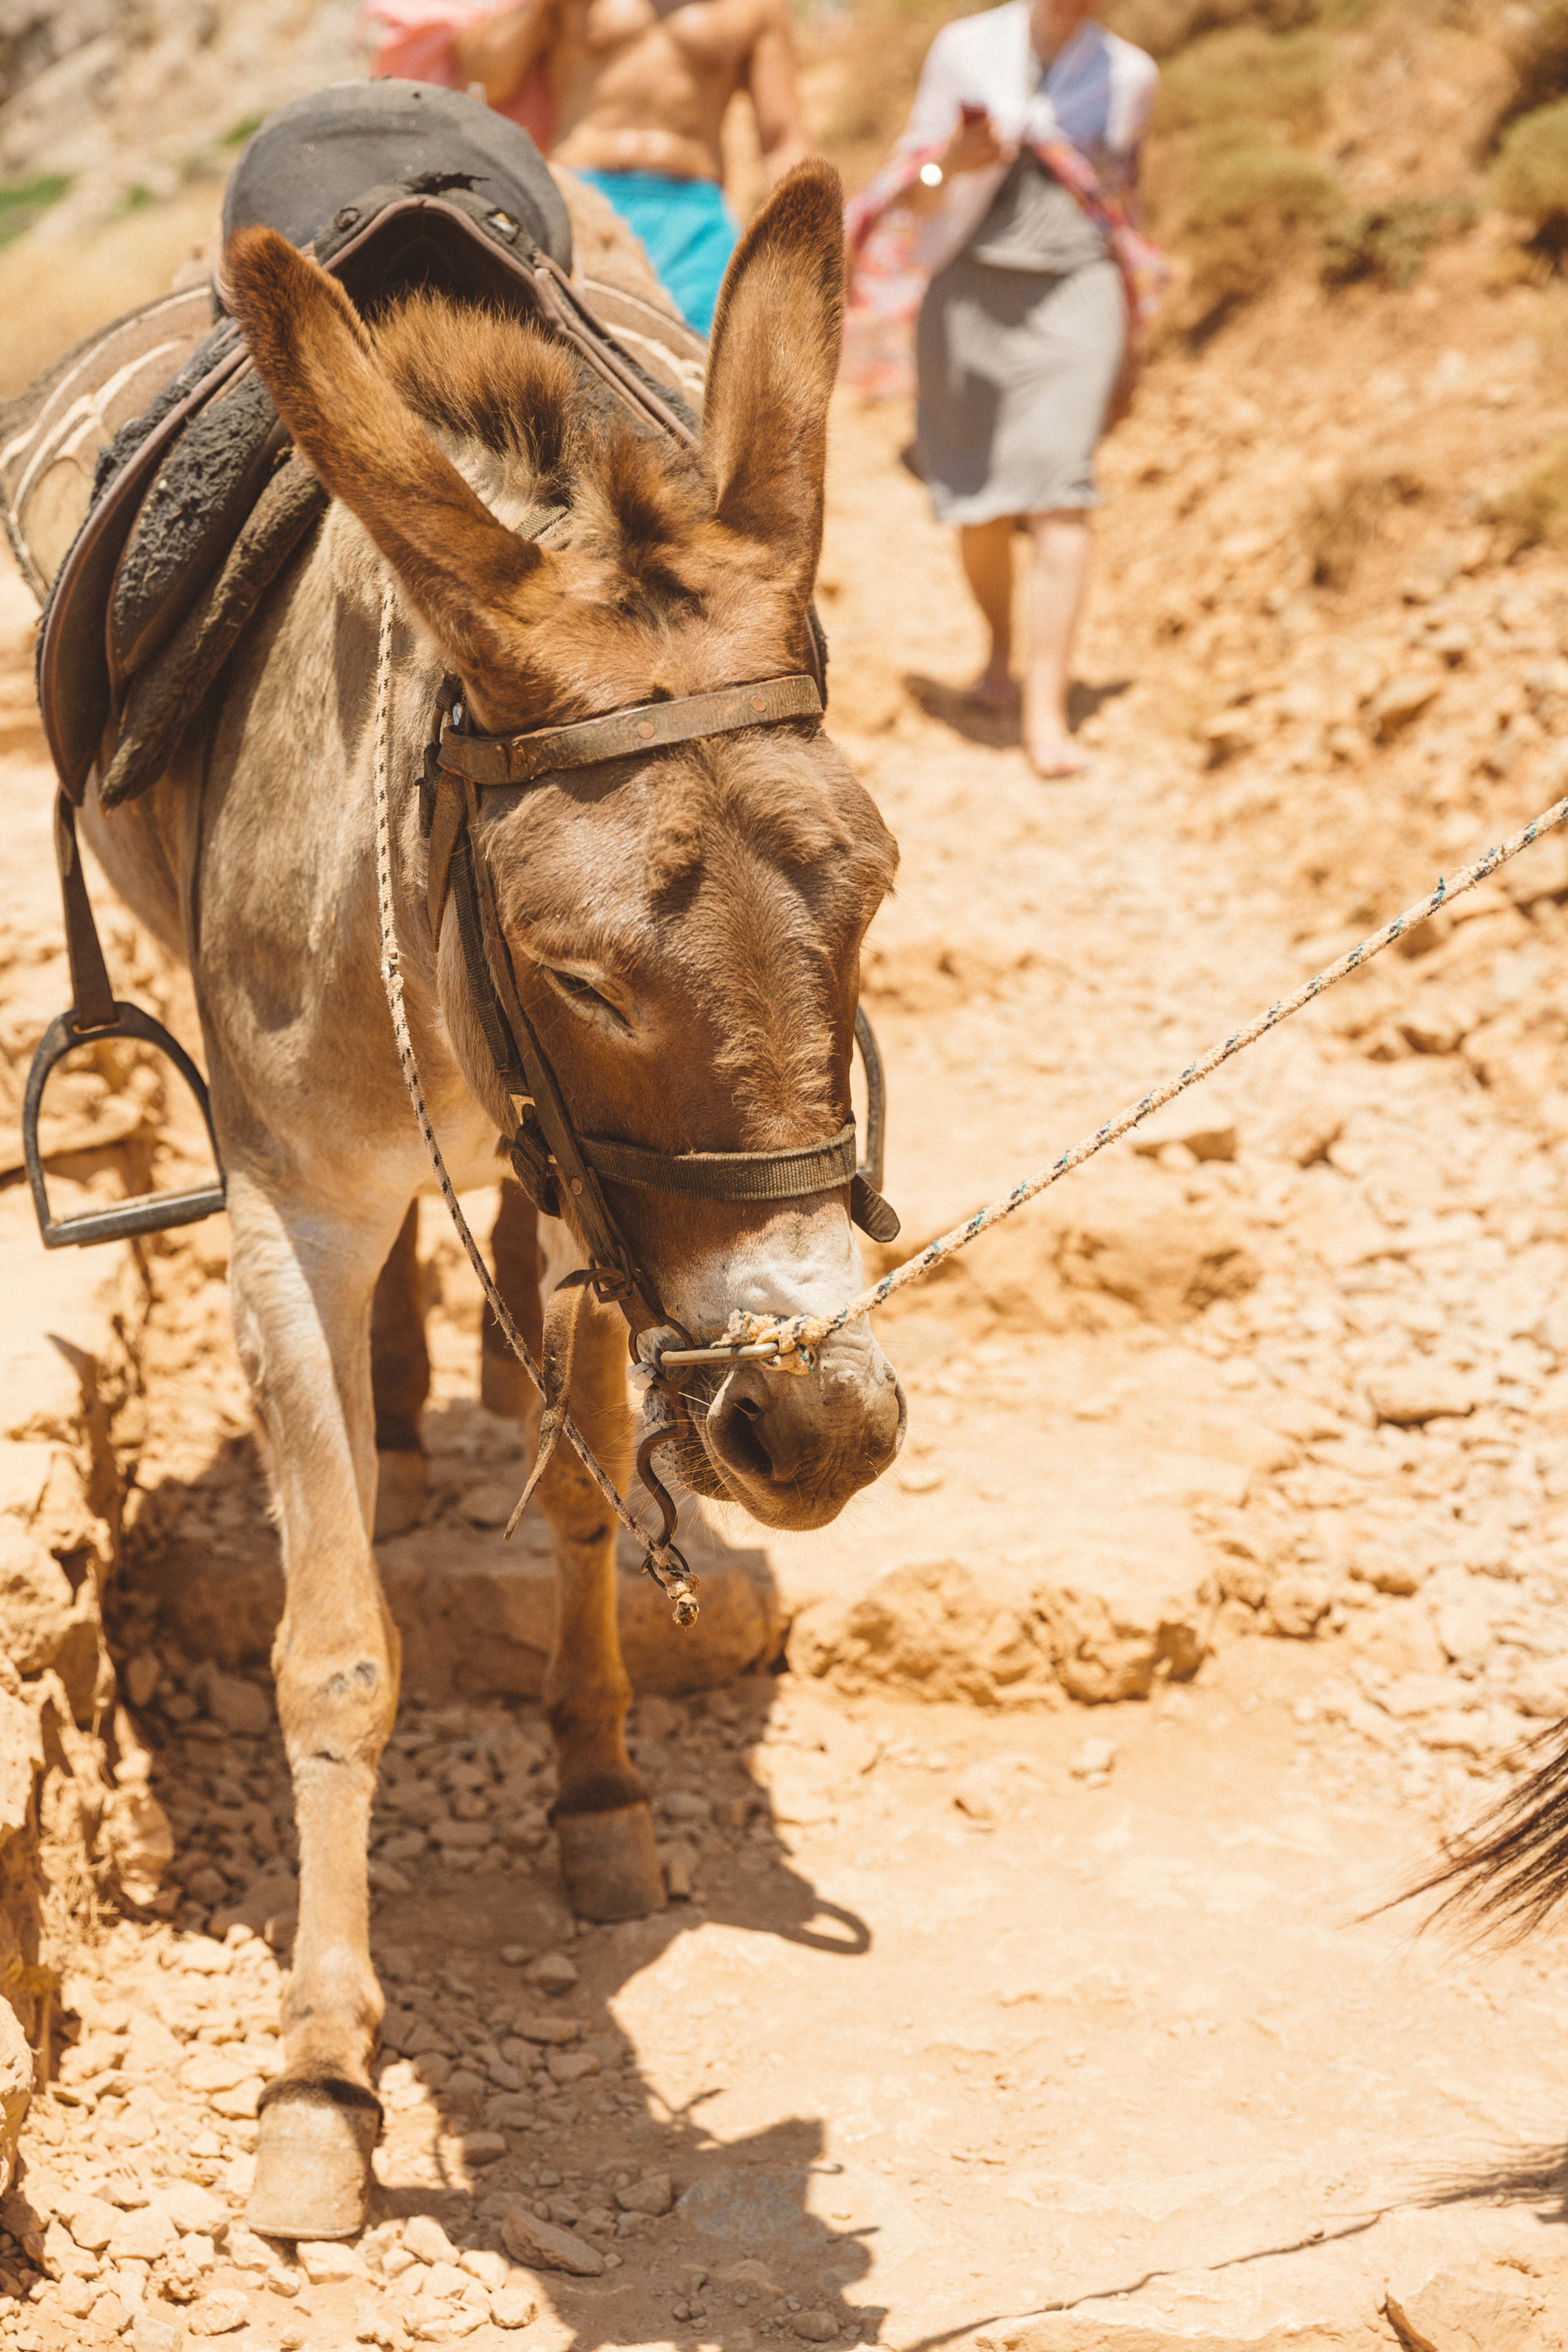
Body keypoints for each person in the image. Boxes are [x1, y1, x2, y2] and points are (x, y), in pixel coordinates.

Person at [846, 0, 1162, 778]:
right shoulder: (964, 50)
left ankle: (1045, 713)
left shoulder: (1128, 76)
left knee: (1062, 491)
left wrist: (1134, 339)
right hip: (968, 290)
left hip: (1077, 292)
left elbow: (1123, 205)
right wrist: (951, 160)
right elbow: (913, 193)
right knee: (979, 501)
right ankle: (998, 651)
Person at [361, 0, 809, 333]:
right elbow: (483, 76)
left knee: (708, 383)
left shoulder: (756, 8)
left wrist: (799, 241)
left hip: (694, 219)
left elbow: (782, 138)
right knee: (558, 359)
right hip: (579, 200)